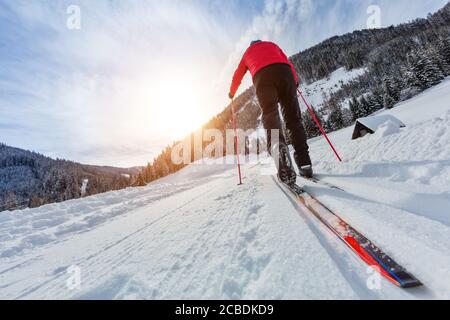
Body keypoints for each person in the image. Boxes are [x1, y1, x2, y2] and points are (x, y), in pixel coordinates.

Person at [228, 40, 313, 185]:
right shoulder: (272, 45)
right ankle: (304, 162)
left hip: (263, 77)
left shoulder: (247, 53)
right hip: (285, 73)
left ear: (251, 45)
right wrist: (295, 80)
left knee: (270, 115)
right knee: (293, 118)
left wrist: (231, 92)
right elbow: (288, 61)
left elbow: (238, 74)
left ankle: (278, 148)